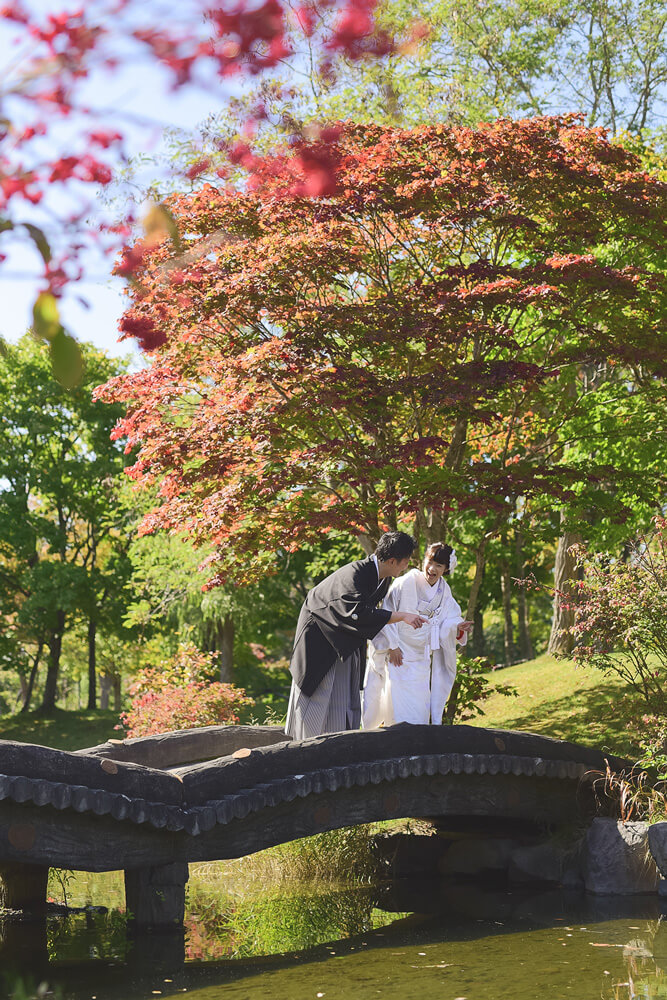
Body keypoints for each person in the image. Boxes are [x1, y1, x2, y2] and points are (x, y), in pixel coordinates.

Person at [284, 532, 428, 740]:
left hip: (344, 642)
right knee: (317, 701)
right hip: (321, 641)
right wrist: (403, 616)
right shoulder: (355, 575)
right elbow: (359, 614)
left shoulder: (381, 578)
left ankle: (337, 748)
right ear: (392, 560)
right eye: (405, 561)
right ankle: (306, 750)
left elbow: (368, 617)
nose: (406, 566)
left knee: (343, 703)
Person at [361, 542, 472, 728]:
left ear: (446, 569)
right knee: (397, 704)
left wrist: (458, 626)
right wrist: (393, 646)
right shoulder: (405, 582)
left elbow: (449, 620)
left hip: (421, 657)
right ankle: (397, 744)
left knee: (419, 707)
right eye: (430, 562)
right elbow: (386, 613)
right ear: (424, 560)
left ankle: (415, 749)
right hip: (399, 654)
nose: (432, 569)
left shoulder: (444, 592)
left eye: (439, 565)